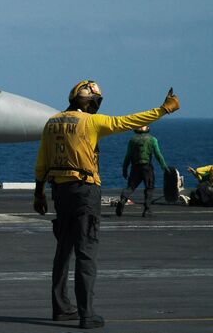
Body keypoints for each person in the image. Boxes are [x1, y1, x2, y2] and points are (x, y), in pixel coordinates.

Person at [33, 80, 180, 329]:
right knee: (86, 253)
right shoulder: (91, 122)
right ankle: (86, 315)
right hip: (84, 192)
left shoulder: (52, 122)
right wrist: (163, 109)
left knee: (63, 252)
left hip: (60, 192)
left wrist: (39, 194)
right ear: (91, 102)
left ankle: (61, 308)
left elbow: (41, 162)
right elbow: (128, 121)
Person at [116, 126, 169, 217]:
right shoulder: (152, 139)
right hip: (147, 167)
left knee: (131, 187)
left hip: (135, 167)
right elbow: (158, 154)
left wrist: (124, 169)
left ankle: (123, 199)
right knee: (149, 188)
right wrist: (164, 167)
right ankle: (147, 210)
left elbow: (128, 156)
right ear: (147, 129)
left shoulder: (132, 140)